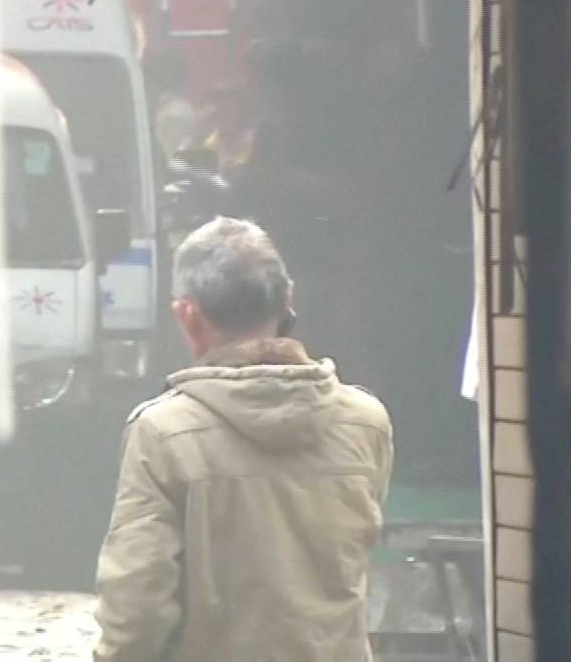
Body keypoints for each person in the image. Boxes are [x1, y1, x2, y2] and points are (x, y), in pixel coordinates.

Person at [93, 216, 393, 662]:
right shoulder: (365, 423)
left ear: (188, 314)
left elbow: (138, 602)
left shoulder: (163, 435)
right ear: (287, 301)